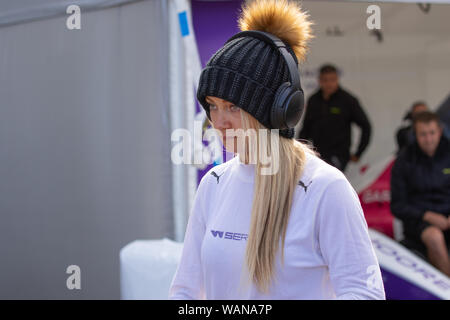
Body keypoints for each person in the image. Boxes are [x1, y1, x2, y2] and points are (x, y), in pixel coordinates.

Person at [168, 0, 385, 299]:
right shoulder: (213, 185)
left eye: (232, 106)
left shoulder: (326, 188)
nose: (219, 121)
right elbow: (185, 292)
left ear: (276, 111)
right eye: (213, 106)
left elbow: (364, 292)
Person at [390, 111, 450, 277]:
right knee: (434, 237)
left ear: (439, 131)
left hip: (447, 216)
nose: (428, 139)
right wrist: (427, 215)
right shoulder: (404, 160)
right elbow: (397, 205)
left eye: (432, 133)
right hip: (419, 221)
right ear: (415, 135)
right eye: (423, 134)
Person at [297, 64, 372, 172]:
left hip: (339, 155)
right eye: (325, 80)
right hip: (317, 155)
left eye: (332, 80)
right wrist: (301, 151)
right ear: (319, 81)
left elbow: (366, 126)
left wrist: (358, 153)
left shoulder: (347, 100)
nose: (329, 84)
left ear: (337, 79)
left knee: (330, 180)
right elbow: (306, 128)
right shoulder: (313, 100)